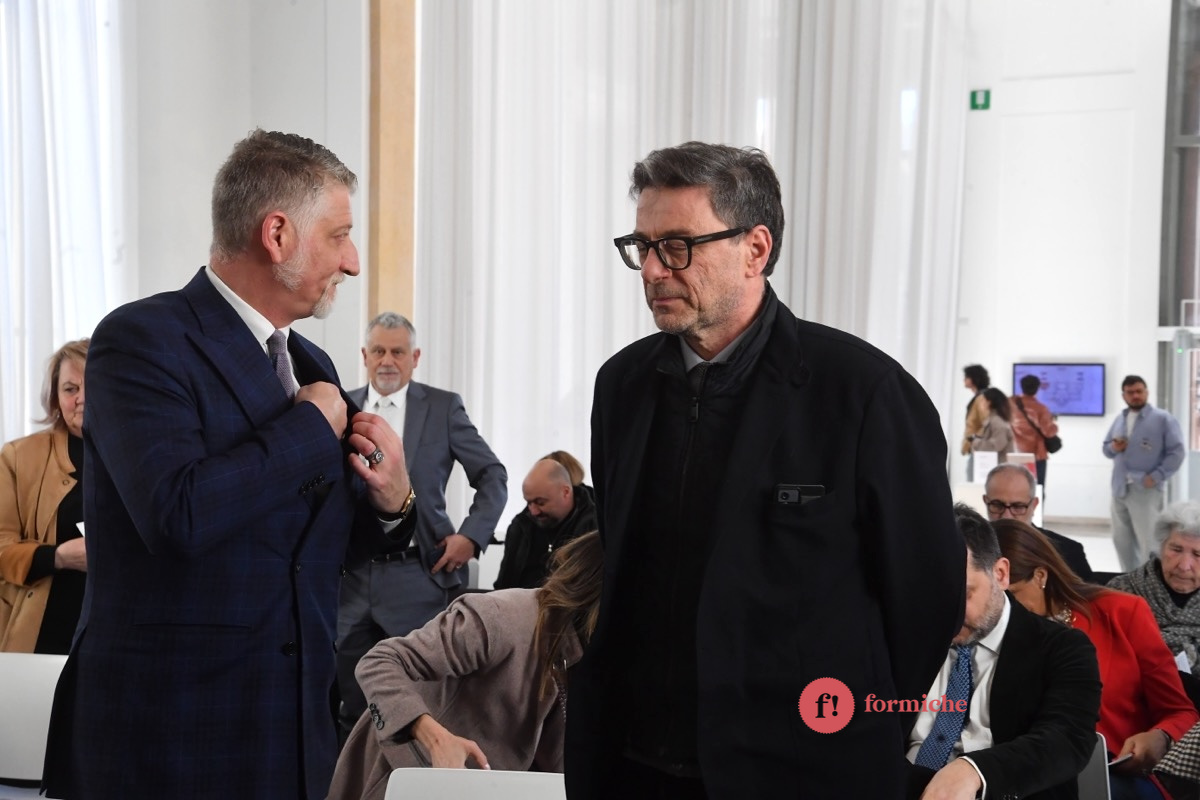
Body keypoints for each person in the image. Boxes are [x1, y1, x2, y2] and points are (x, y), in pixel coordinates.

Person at [568, 141, 965, 798]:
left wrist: (853, 728)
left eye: (677, 246)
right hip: (633, 764)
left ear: (755, 249)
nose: (653, 269)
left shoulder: (863, 393)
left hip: (802, 770)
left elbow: (925, 597)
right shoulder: (622, 385)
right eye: (642, 246)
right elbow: (620, 563)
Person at [42, 130, 416, 800]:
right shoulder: (140, 340)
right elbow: (178, 513)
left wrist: (394, 505)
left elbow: (312, 549)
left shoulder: (312, 365)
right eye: (339, 235)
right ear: (277, 234)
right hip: (168, 737)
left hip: (292, 735)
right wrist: (310, 427)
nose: (353, 261)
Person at [327, 531, 603, 800]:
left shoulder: (585, 655)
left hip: (479, 787)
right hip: (404, 775)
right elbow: (380, 662)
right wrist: (434, 738)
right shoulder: (501, 618)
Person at [338, 311, 507, 731]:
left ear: (415, 358)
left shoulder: (443, 407)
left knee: (423, 701)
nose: (387, 360)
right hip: (350, 580)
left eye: (398, 352)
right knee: (352, 706)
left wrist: (472, 536)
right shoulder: (340, 406)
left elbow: (492, 475)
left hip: (419, 576)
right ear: (364, 355)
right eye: (379, 351)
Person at [906, 505, 1100, 800]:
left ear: (1000, 574)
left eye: (963, 594)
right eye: (932, 596)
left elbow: (1067, 739)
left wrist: (974, 771)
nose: (946, 614)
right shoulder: (904, 640)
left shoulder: (1063, 648)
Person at [995, 518, 1197, 800]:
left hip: (1114, 775)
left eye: (1012, 595)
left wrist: (1161, 737)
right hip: (1022, 777)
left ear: (1040, 576)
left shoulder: (1121, 612)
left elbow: (1181, 712)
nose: (1002, 608)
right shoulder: (988, 628)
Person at [0, 339, 90, 653]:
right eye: (70, 389)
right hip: (44, 633)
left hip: (125, 633)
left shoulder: (145, 455)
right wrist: (59, 557)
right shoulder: (18, 456)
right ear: (55, 398)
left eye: (94, 385)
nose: (82, 398)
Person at [1103, 375, 1184, 571]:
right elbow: (1106, 449)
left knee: (1149, 541)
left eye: (1139, 391)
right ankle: (1129, 580)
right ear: (1123, 395)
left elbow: (1177, 452)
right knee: (1121, 541)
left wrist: (1156, 476)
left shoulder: (1162, 419)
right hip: (1119, 489)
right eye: (1130, 392)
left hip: (1145, 490)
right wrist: (1114, 447)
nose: (1135, 396)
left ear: (1147, 392)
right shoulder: (1120, 419)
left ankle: (1149, 582)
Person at [1109, 501, 1200, 672]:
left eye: (1197, 554)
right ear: (1161, 547)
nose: (1184, 566)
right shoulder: (1121, 593)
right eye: (1176, 549)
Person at [494, 455, 597, 590]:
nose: (533, 511)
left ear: (566, 492)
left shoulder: (594, 527)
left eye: (540, 502)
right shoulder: (520, 526)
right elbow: (503, 585)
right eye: (529, 503)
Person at [982, 463, 1094, 582]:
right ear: (985, 501)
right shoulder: (970, 549)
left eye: (1018, 506)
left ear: (1034, 505)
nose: (1006, 515)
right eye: (997, 505)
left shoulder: (1068, 553)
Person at [1010, 375, 1058, 487]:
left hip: (1015, 452)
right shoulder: (1041, 408)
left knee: (1015, 487)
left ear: (1021, 386)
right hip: (1036, 455)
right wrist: (1053, 424)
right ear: (1037, 388)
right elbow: (1048, 432)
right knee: (1036, 488)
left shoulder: (1010, 403)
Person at [969, 387, 1014, 463]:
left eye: (982, 400)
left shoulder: (997, 421)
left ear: (989, 402)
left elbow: (996, 445)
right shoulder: (994, 419)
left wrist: (976, 442)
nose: (980, 403)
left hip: (999, 466)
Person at [961, 364, 991, 458]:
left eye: (966, 377)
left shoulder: (982, 398)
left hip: (979, 449)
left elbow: (987, 423)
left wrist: (974, 439)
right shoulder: (981, 397)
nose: (964, 380)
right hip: (978, 447)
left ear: (974, 378)